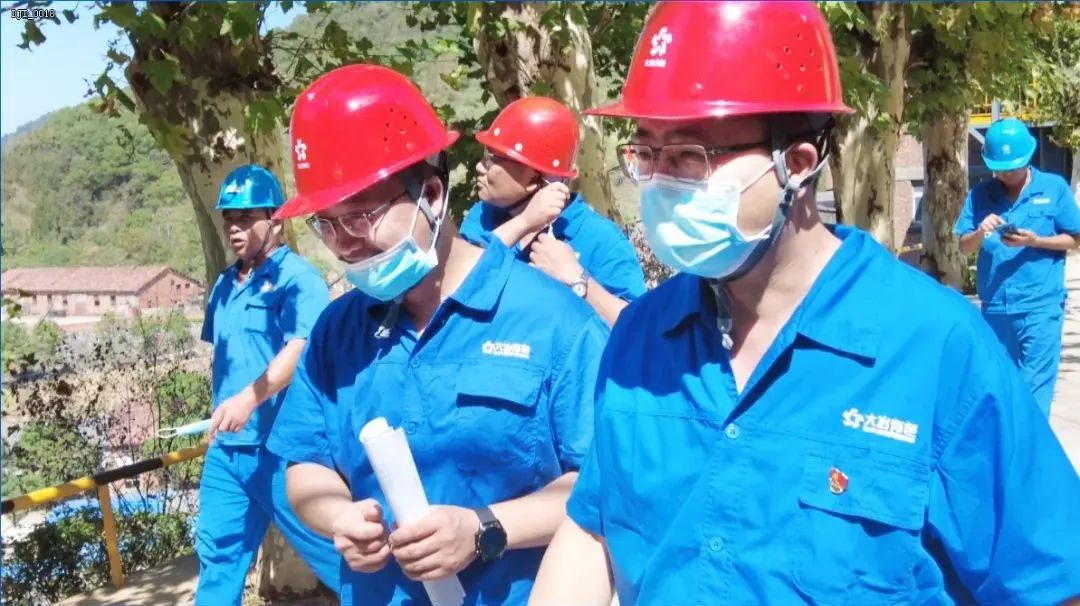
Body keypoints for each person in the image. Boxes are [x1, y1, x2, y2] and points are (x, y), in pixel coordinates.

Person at [529, 3, 1080, 605]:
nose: (663, 183)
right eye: (646, 154)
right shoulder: (642, 335)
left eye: (690, 156)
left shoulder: (933, 344)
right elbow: (593, 529)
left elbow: (1050, 583)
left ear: (795, 164)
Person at [264, 64, 608, 606]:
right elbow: (307, 465)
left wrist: (483, 528)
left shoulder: (554, 322)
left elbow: (600, 485)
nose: (344, 243)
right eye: (326, 224)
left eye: (360, 217)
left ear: (430, 192)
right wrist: (339, 515)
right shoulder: (336, 331)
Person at [196, 164, 340, 604]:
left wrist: (249, 398)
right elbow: (226, 359)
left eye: (246, 218)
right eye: (229, 220)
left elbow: (301, 349)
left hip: (285, 451)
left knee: (338, 555)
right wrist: (225, 409)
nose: (234, 229)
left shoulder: (299, 280)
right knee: (217, 559)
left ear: (275, 220)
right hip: (228, 452)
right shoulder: (224, 285)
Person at [461, 96, 646, 325]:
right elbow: (457, 281)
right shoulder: (482, 216)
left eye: (493, 160)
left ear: (533, 177)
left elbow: (638, 326)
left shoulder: (599, 237)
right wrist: (523, 223)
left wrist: (578, 280)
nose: (479, 167)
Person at [955, 117, 1080, 417]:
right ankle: (1010, 444)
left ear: (1028, 157)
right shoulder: (981, 195)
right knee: (1001, 389)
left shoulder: (1054, 188)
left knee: (1033, 394)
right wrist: (980, 232)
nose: (1007, 174)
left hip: (1041, 307)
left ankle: (1028, 445)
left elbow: (1076, 239)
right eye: (1000, 169)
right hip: (996, 309)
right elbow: (963, 246)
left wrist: (1036, 241)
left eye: (1013, 168)